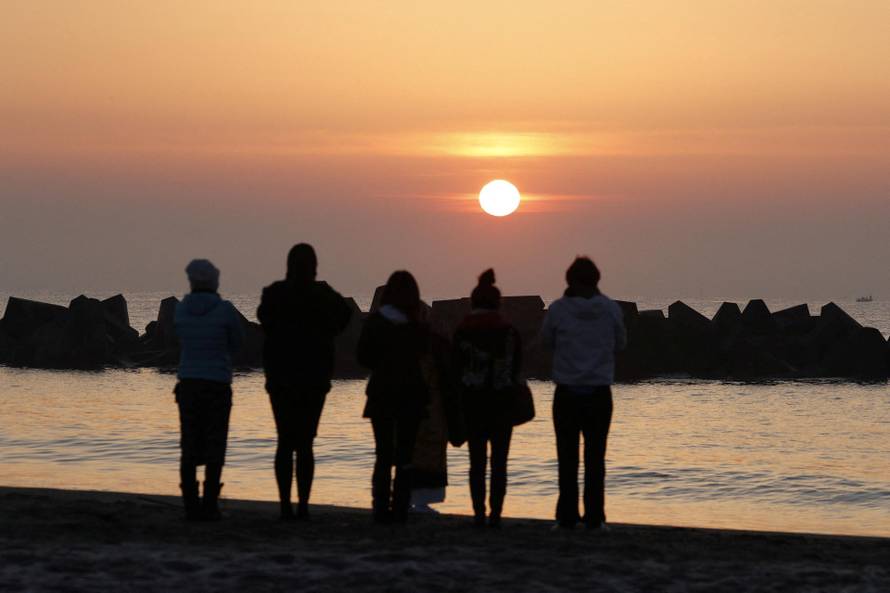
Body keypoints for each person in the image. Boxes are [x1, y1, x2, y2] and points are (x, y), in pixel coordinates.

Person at [257, 243, 353, 520]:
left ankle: (286, 505)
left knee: (285, 441)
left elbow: (264, 320)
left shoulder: (274, 293)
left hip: (280, 376)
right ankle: (303, 505)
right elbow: (345, 314)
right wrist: (329, 333)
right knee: (306, 442)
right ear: (314, 266)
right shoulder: (323, 294)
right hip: (314, 376)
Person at [540, 256, 626, 530]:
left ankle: (566, 516)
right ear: (596, 280)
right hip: (599, 392)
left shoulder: (558, 310)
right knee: (595, 457)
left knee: (567, 457)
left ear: (570, 281)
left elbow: (546, 342)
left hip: (567, 392)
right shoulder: (611, 309)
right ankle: (595, 517)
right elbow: (621, 343)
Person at [356, 271, 430, 523]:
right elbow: (426, 354)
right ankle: (400, 508)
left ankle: (379, 508)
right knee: (406, 456)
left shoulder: (376, 322)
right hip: (411, 395)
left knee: (383, 453)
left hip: (381, 394)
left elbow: (362, 357)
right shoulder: (415, 326)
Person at [173, 259, 244, 521]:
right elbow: (238, 343)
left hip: (188, 382)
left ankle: (190, 504)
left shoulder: (180, 310)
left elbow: (178, 339)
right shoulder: (225, 311)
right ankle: (210, 504)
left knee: (189, 444)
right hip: (217, 382)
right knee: (216, 444)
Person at [452, 269, 522, 528]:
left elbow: (454, 368)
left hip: (473, 401)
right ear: (497, 302)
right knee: (499, 462)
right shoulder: (509, 331)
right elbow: (516, 368)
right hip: (502, 402)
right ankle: (496, 513)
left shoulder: (462, 330)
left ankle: (478, 512)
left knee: (477, 461)